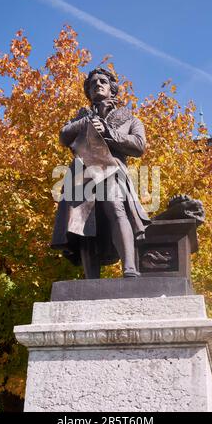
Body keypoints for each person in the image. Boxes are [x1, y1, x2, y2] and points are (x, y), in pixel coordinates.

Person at [51, 68, 150, 278]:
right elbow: (63, 136)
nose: (97, 84)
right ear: (88, 91)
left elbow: (139, 146)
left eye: (103, 81)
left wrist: (108, 132)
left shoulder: (129, 120)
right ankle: (91, 278)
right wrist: (88, 121)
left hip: (112, 169)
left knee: (116, 208)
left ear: (112, 89)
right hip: (82, 173)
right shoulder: (81, 118)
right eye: (92, 83)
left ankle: (129, 268)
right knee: (82, 222)